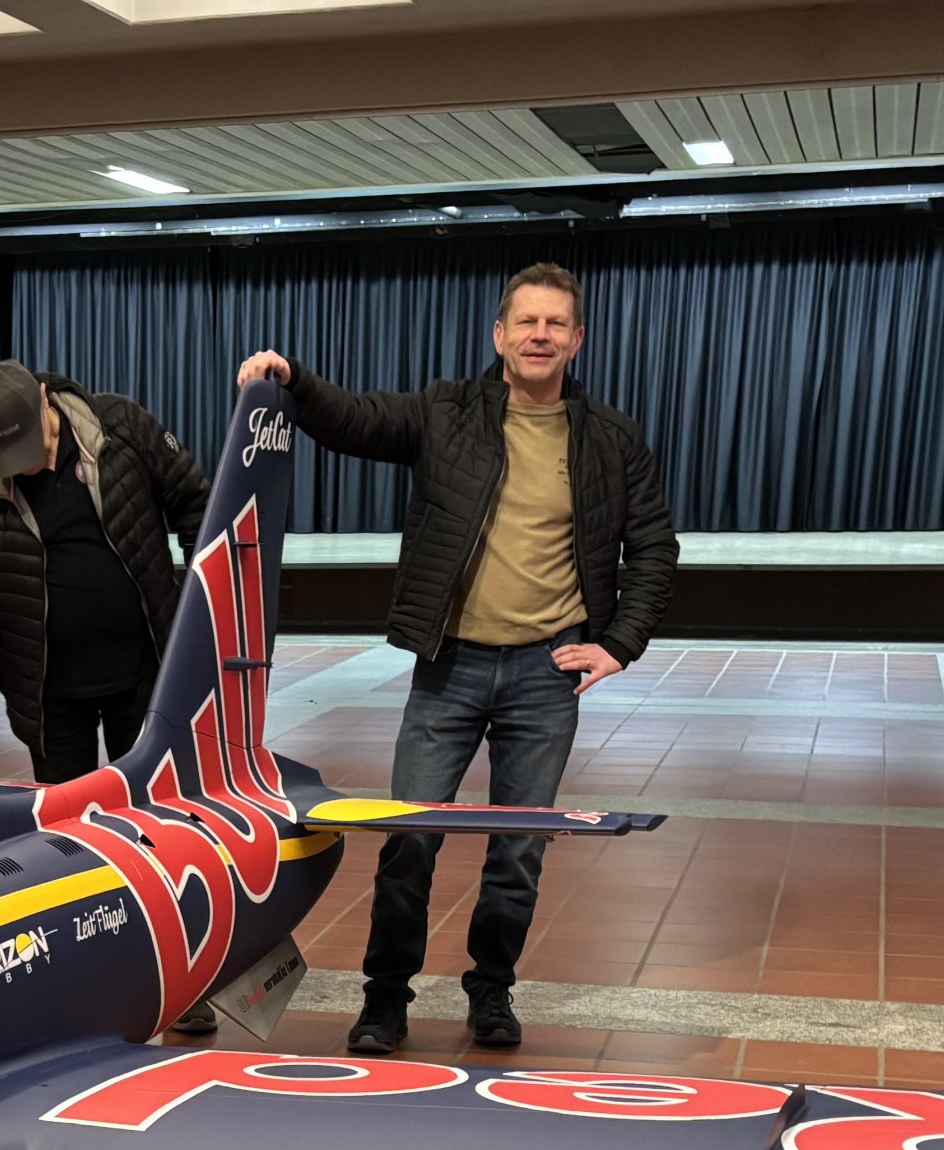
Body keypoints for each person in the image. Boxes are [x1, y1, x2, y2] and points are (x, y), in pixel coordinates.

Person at [239, 263, 676, 1055]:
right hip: (451, 667)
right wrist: (291, 378)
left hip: (546, 675)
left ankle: (492, 990)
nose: (540, 335)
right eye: (526, 322)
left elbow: (653, 546)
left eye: (556, 324)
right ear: (500, 335)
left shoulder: (611, 439)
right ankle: (385, 998)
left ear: (578, 340)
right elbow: (355, 420)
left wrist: (619, 644)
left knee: (519, 852)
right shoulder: (448, 413)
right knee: (409, 839)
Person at [0, 360, 215, 1026]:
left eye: (31, 448)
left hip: (146, 677)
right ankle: (88, 982)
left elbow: (199, 505)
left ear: (45, 400)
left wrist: (198, 612)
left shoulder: (120, 430)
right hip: (50, 697)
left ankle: (182, 980)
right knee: (68, 846)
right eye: (10, 458)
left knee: (158, 830)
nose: (27, 467)